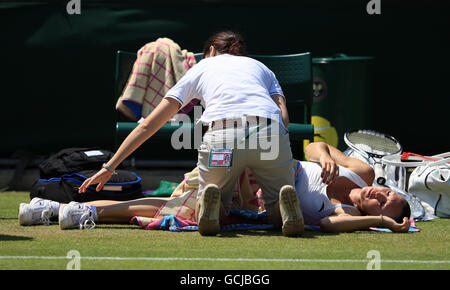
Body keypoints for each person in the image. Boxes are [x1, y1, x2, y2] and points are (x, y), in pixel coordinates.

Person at [56, 31, 303, 237]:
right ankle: (282, 208)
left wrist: (109, 167)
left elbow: (147, 125)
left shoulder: (203, 66)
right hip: (269, 135)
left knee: (213, 204)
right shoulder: (263, 69)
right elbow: (284, 119)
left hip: (221, 135)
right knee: (273, 205)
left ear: (212, 51)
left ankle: (208, 207)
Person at [18, 141, 411, 233]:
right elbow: (313, 144)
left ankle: (69, 211)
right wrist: (325, 155)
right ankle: (65, 210)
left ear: (374, 215)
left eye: (385, 208)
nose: (383, 198)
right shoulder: (364, 173)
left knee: (176, 206)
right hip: (253, 163)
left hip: (257, 195)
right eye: (391, 195)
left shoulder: (344, 215)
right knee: (176, 202)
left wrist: (387, 225)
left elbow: (328, 227)